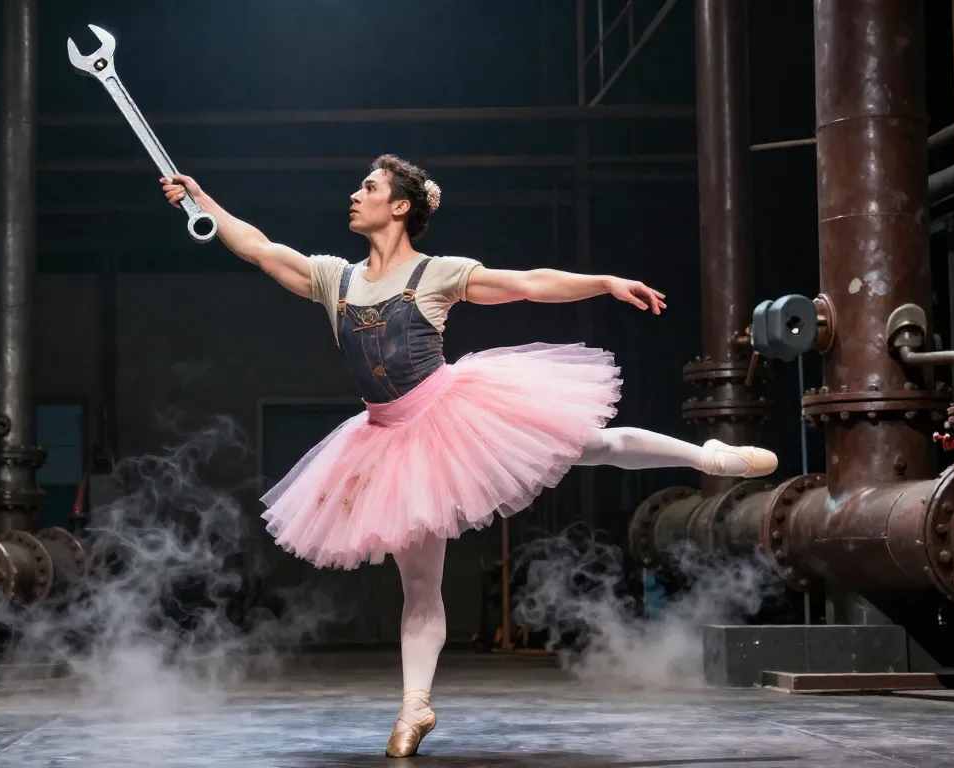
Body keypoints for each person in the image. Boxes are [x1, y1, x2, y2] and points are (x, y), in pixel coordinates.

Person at [159, 155, 776, 758]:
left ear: (399, 206)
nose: (355, 195)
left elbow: (527, 283)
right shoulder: (334, 279)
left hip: (453, 414)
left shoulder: (438, 274)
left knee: (595, 443)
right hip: (387, 441)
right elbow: (260, 249)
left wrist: (604, 283)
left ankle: (709, 456)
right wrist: (201, 201)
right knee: (419, 587)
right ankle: (415, 706)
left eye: (368, 187)